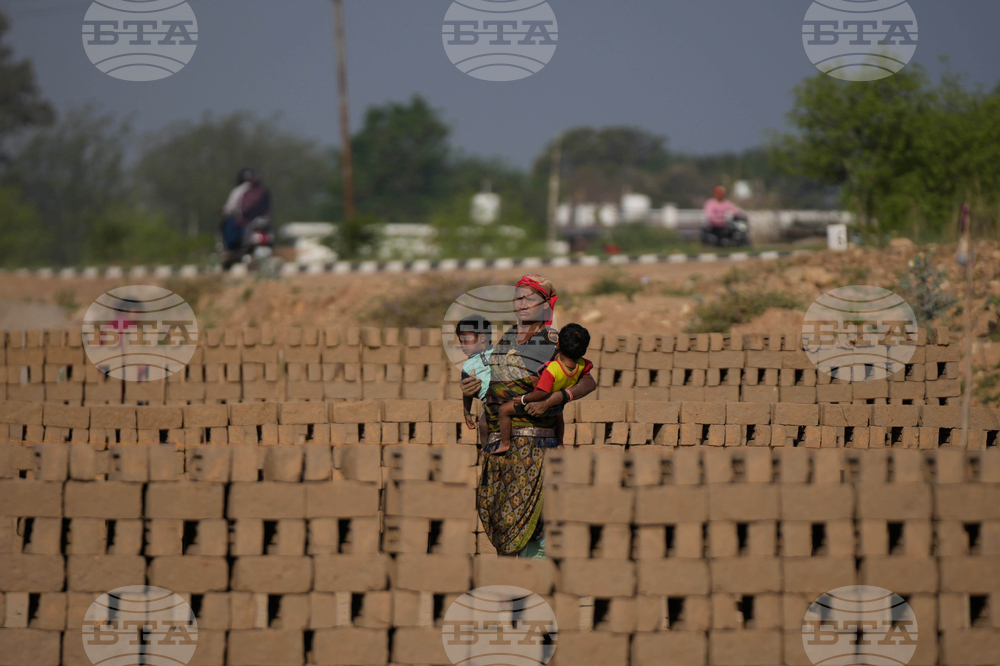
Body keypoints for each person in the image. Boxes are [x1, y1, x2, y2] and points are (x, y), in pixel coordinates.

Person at [460, 274, 597, 559]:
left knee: (531, 520)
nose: (522, 303)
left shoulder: (552, 342)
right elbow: (495, 381)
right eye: (518, 298)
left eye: (529, 299)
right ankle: (514, 577)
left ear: (546, 305)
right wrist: (472, 391)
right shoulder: (507, 337)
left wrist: (556, 398)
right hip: (499, 443)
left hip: (533, 444)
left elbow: (587, 381)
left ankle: (533, 575)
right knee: (499, 516)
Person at [493, 323, 592, 456]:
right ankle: (560, 443)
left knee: (504, 410)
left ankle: (505, 443)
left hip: (536, 403)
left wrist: (523, 399)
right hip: (557, 407)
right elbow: (589, 374)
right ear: (583, 352)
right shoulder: (582, 364)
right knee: (559, 417)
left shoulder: (553, 369)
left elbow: (542, 391)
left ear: (558, 345)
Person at [457, 314, 493, 452]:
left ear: (482, 337)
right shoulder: (468, 366)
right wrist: (467, 412)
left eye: (466, 340)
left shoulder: (498, 352)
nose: (462, 345)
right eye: (460, 341)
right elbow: (467, 391)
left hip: (506, 396)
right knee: (483, 424)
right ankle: (486, 452)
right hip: (488, 402)